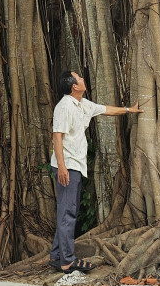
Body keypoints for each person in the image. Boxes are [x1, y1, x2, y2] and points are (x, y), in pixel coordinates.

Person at [50, 70, 141, 273]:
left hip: (75, 165)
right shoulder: (64, 106)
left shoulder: (83, 104)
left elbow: (106, 109)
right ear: (74, 86)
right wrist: (62, 167)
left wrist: (129, 110)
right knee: (68, 213)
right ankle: (67, 261)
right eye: (79, 78)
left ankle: (57, 255)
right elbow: (57, 137)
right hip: (68, 166)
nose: (83, 79)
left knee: (66, 211)